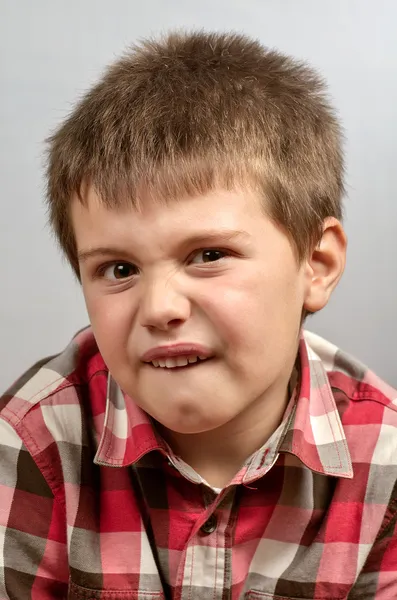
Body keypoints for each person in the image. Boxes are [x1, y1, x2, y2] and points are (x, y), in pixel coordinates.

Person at [0, 30, 396, 600]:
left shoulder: (385, 465)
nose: (159, 308)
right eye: (118, 270)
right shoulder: (32, 443)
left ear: (316, 263)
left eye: (209, 256)